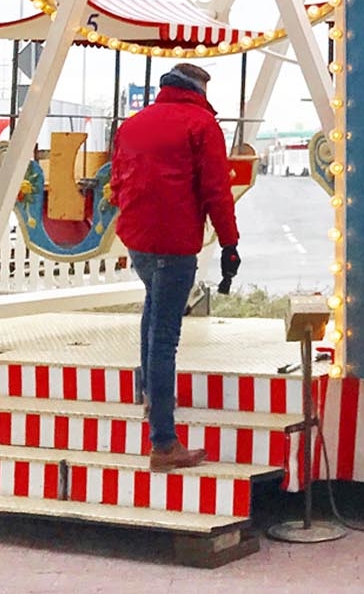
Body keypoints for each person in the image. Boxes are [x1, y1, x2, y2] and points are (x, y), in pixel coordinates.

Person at [109, 62, 240, 472]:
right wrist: (230, 243)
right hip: (175, 242)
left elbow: (115, 181)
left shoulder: (132, 125)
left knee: (153, 314)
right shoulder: (201, 125)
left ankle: (152, 396)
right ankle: (164, 444)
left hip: (138, 240)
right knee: (165, 336)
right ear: (200, 91)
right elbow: (217, 191)